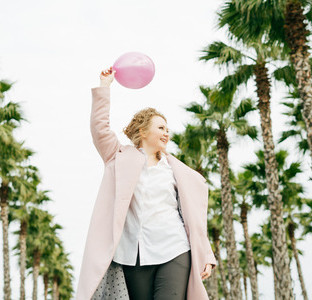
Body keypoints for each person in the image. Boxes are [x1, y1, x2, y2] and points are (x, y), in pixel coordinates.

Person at [75, 67, 216, 300]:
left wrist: (206, 255)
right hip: (133, 254)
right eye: (161, 128)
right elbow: (100, 128)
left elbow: (194, 218)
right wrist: (104, 86)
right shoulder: (117, 156)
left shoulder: (178, 171)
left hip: (175, 248)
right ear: (142, 131)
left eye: (168, 129)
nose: (166, 134)